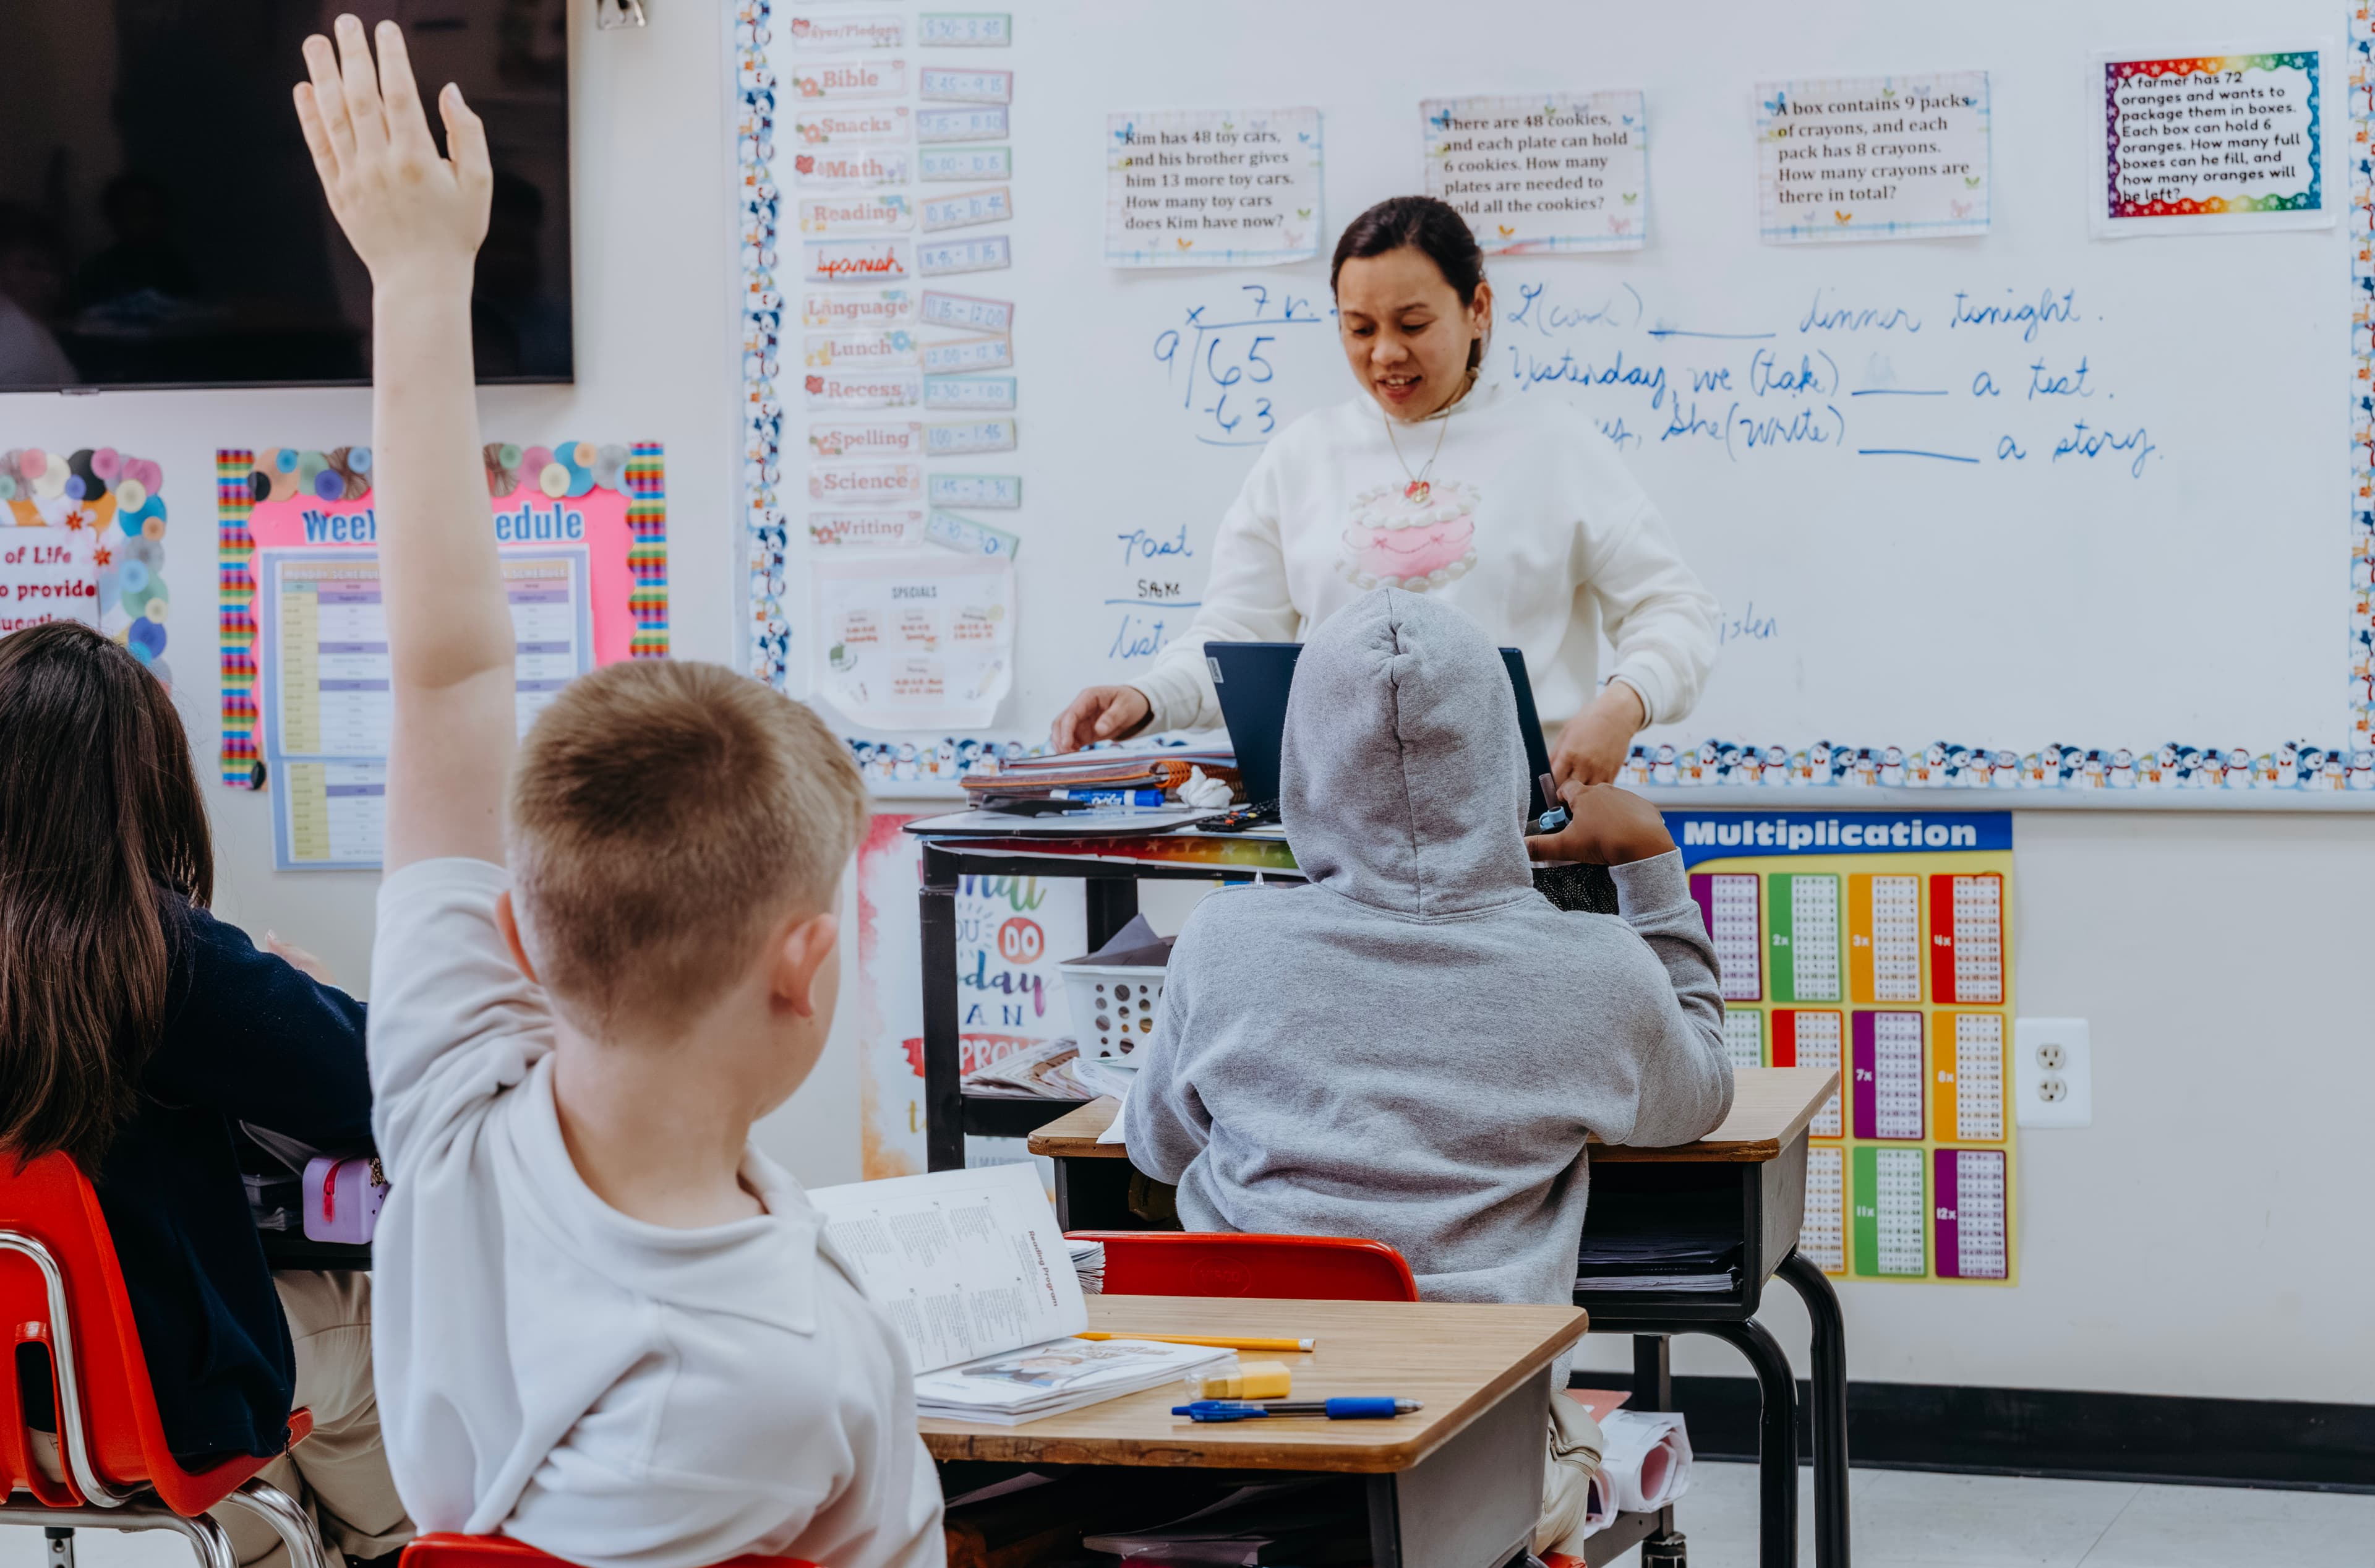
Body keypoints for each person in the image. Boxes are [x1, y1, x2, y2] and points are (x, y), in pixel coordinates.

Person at [291, 19, 941, 1566]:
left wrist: (418, 280)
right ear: (803, 962)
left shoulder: (454, 1092)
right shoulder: (752, 1379)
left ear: (520, 938)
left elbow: (446, 670)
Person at [1122, 587, 1734, 1557]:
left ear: (1304, 761)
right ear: (1506, 754)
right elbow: (1701, 1090)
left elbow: (1153, 1146)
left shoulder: (1223, 942)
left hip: (1232, 1444)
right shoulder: (1596, 968)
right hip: (1474, 1458)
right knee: (1577, 1451)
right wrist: (1650, 862)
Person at [1053, 195, 1718, 789]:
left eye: (1414, 324)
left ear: (1477, 309)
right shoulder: (1302, 456)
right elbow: (1235, 636)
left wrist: (1625, 703)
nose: (1386, 355)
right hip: (1336, 836)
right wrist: (1145, 697)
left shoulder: (1558, 446)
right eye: (1360, 328)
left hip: (1520, 828)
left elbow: (1673, 608)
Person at [0, 621, 411, 1568]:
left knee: (274, 1384)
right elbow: (375, 1086)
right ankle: (393, 1551)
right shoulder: (154, 953)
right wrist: (278, 977)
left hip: (14, 1405)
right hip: (144, 1403)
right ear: (140, 790)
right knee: (370, 1319)